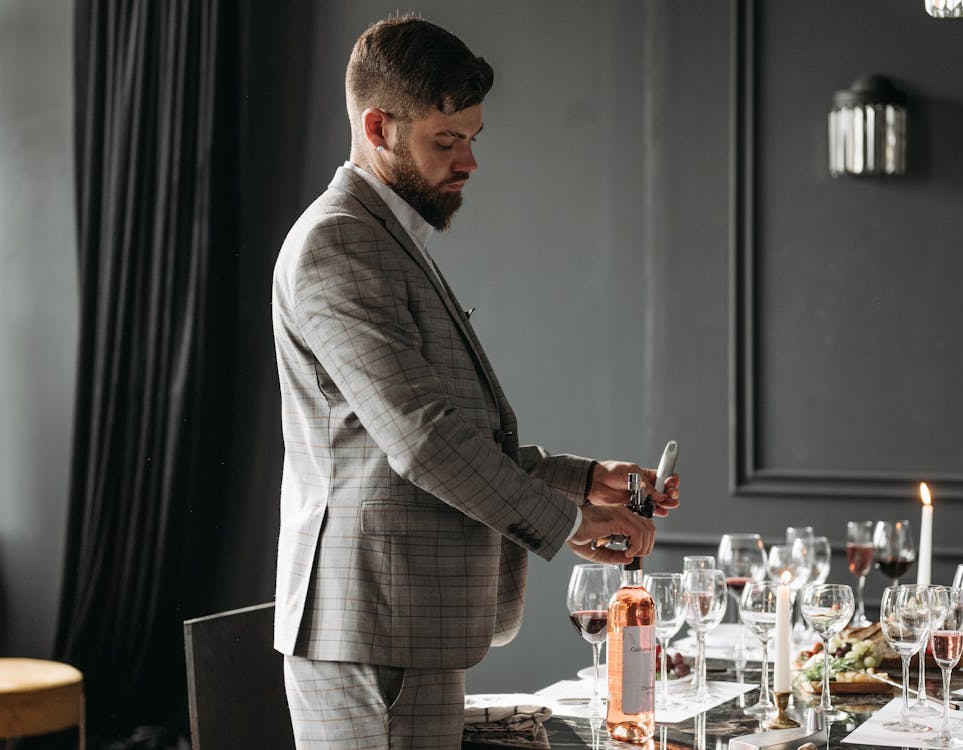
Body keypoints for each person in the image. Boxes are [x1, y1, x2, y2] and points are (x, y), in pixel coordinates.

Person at [271, 15, 679, 749]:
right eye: (446, 141)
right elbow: (421, 441)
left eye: (472, 138)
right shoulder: (339, 243)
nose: (468, 162)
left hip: (399, 627)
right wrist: (569, 524)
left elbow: (451, 430)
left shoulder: (386, 238)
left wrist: (583, 481)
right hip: (374, 628)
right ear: (378, 126)